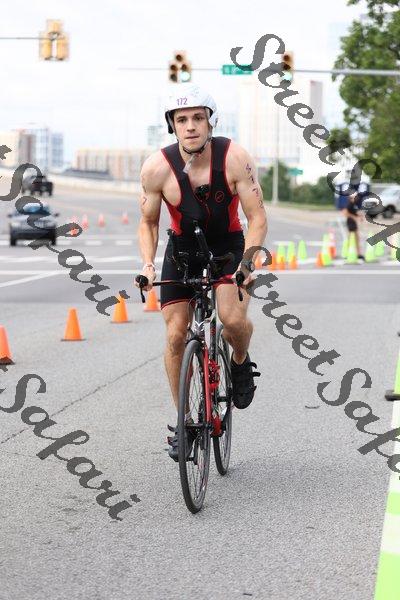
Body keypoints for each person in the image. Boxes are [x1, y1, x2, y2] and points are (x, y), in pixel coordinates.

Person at [135, 83, 267, 461]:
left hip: (228, 248)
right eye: (182, 120)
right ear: (172, 125)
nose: (190, 126)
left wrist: (248, 262)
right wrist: (147, 264)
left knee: (232, 320)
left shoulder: (235, 158)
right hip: (183, 250)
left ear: (211, 122)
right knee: (176, 334)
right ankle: (184, 421)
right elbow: (148, 223)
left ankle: (239, 362)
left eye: (197, 118)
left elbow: (257, 216)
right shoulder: (156, 168)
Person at [343, 192, 364, 260]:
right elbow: (345, 213)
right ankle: (349, 253)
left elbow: (354, 213)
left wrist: (359, 216)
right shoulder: (350, 204)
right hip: (350, 223)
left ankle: (358, 253)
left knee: (356, 238)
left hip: (353, 223)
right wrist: (354, 217)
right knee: (351, 238)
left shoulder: (354, 204)